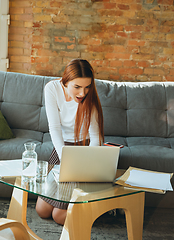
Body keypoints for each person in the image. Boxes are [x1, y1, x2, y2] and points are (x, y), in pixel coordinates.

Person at [35, 58, 104, 225]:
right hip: (62, 149)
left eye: (87, 87)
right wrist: (66, 158)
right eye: (77, 87)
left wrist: (83, 163)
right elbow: (54, 128)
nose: (82, 93)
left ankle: (100, 208)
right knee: (42, 211)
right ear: (65, 82)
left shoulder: (90, 99)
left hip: (84, 151)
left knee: (59, 216)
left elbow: (96, 138)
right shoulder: (52, 88)